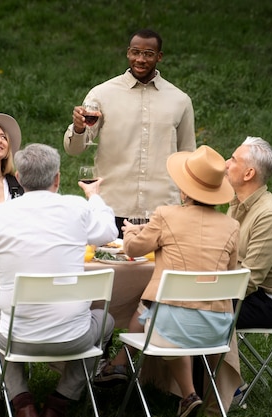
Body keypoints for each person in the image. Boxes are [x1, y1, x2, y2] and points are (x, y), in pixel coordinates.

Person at [95, 145, 241, 417]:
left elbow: (134, 250)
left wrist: (129, 233)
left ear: (185, 190)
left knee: (155, 313)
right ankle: (119, 364)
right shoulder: (231, 226)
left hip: (173, 329)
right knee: (148, 308)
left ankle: (187, 394)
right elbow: (231, 271)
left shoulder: (166, 215)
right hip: (219, 329)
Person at [0, 143, 118, 417]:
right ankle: (61, 400)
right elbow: (107, 232)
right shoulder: (77, 207)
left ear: (18, 178)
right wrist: (94, 197)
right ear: (57, 178)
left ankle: (21, 401)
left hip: (15, 337)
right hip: (74, 338)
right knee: (106, 321)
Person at [63, 28, 196, 237]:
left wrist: (189, 202)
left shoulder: (180, 100)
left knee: (161, 270)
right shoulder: (101, 94)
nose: (140, 59)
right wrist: (79, 128)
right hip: (112, 208)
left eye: (148, 54)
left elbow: (188, 156)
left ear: (159, 57)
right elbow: (75, 149)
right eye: (135, 52)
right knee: (109, 267)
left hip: (162, 209)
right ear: (128, 53)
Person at [225, 136, 272, 329]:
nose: (226, 164)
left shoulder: (270, 215)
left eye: (233, 159)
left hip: (271, 303)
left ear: (248, 173)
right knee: (182, 304)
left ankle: (199, 359)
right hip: (246, 292)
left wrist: (207, 293)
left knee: (190, 312)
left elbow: (249, 281)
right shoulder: (237, 203)